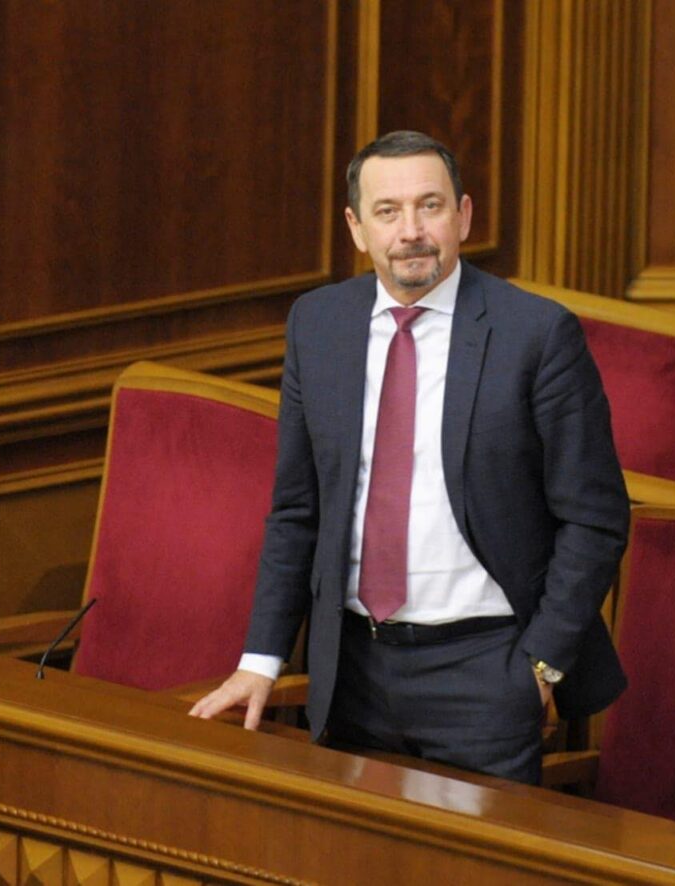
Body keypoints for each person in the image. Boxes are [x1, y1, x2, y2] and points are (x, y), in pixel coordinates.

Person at [190, 130, 629, 784]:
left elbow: (594, 519)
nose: (411, 231)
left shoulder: (535, 334)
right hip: (352, 668)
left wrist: (539, 668)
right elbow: (297, 511)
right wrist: (261, 662)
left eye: (430, 206)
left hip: (486, 669)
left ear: (464, 216)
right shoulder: (317, 324)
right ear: (357, 228)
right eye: (388, 211)